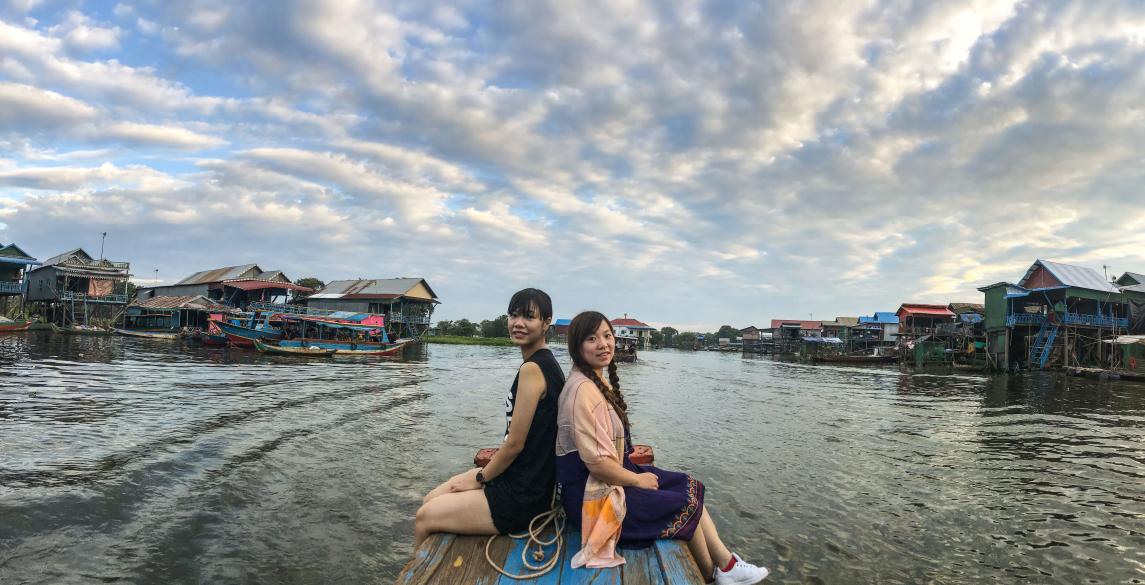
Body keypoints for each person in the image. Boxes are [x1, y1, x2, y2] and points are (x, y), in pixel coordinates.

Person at [556, 311, 769, 584]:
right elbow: (596, 463)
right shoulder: (581, 391)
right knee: (684, 505)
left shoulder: (593, 381)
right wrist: (636, 479)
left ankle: (726, 565)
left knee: (687, 484)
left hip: (609, 476)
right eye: (592, 338)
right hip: (592, 495)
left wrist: (635, 475)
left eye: (607, 336)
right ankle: (711, 576)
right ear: (577, 347)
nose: (603, 344)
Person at [413, 288, 566, 546]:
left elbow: (515, 444)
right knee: (433, 497)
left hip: (521, 496)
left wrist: (480, 477)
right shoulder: (547, 364)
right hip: (522, 482)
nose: (518, 323)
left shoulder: (532, 369)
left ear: (546, 323)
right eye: (513, 315)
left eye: (529, 317)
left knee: (424, 517)